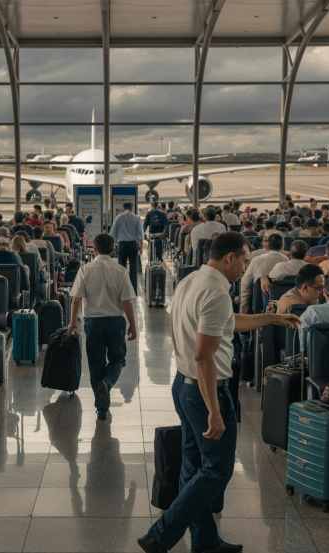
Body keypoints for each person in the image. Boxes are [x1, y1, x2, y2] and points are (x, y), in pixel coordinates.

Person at [139, 232, 299, 553]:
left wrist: (271, 318)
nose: (245, 267)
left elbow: (225, 323)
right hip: (206, 390)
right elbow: (204, 355)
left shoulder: (192, 281)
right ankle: (160, 535)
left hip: (184, 386)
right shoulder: (215, 293)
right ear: (230, 258)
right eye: (244, 259)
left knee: (193, 467)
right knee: (216, 471)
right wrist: (214, 409)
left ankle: (205, 542)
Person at [68, 234, 138, 420]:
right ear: (113, 248)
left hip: (93, 323)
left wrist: (72, 322)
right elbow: (127, 301)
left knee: (95, 364)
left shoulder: (85, 269)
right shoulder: (120, 270)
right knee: (118, 360)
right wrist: (133, 324)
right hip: (115, 321)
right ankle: (107, 383)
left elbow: (76, 299)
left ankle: (102, 409)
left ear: (95, 249)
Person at [240, 233, 286, 312]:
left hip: (259, 307)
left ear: (268, 245)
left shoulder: (257, 260)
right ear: (282, 246)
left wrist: (243, 310)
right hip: (282, 307)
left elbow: (245, 284)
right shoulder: (286, 260)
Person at [110, 202, 144, 294]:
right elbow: (140, 234)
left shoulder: (118, 218)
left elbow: (112, 233)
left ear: (123, 208)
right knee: (133, 268)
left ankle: (122, 290)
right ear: (132, 208)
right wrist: (141, 247)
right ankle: (133, 291)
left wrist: (114, 245)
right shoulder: (137, 218)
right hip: (133, 245)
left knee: (121, 268)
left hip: (122, 245)